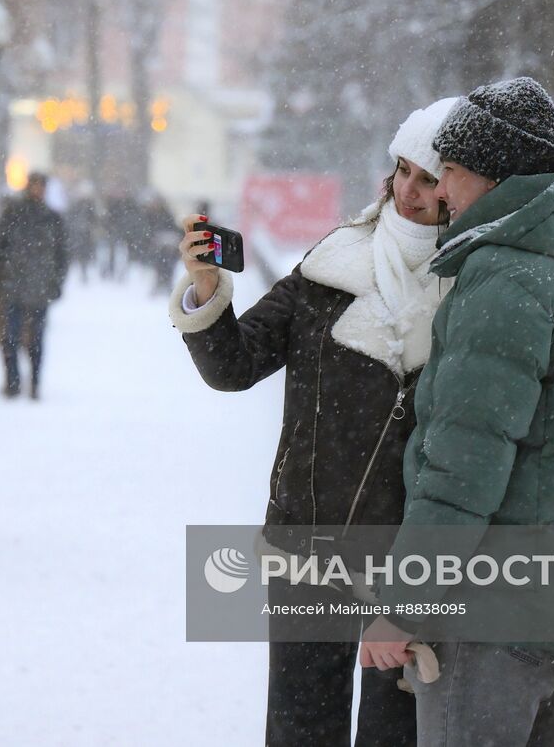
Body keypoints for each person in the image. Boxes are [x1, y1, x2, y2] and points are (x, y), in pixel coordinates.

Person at [357, 77, 554, 747]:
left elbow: (462, 471)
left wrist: (402, 607)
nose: (438, 194)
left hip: (493, 615)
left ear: (489, 176)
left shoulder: (506, 280)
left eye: (450, 173)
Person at [168, 98, 460, 747]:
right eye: (403, 171)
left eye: (430, 178)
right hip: (308, 546)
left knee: (396, 734)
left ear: (458, 190)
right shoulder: (332, 264)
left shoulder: (472, 290)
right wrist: (206, 288)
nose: (410, 191)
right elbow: (234, 364)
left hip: (410, 559)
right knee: (301, 730)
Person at [0, 171, 68, 399]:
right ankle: (12, 381)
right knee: (10, 337)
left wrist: (56, 282)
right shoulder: (12, 214)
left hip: (39, 287)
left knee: (36, 340)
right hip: (13, 285)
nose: (37, 190)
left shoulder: (52, 218)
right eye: (35, 185)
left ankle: (34, 382)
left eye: (41, 186)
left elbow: (61, 255)